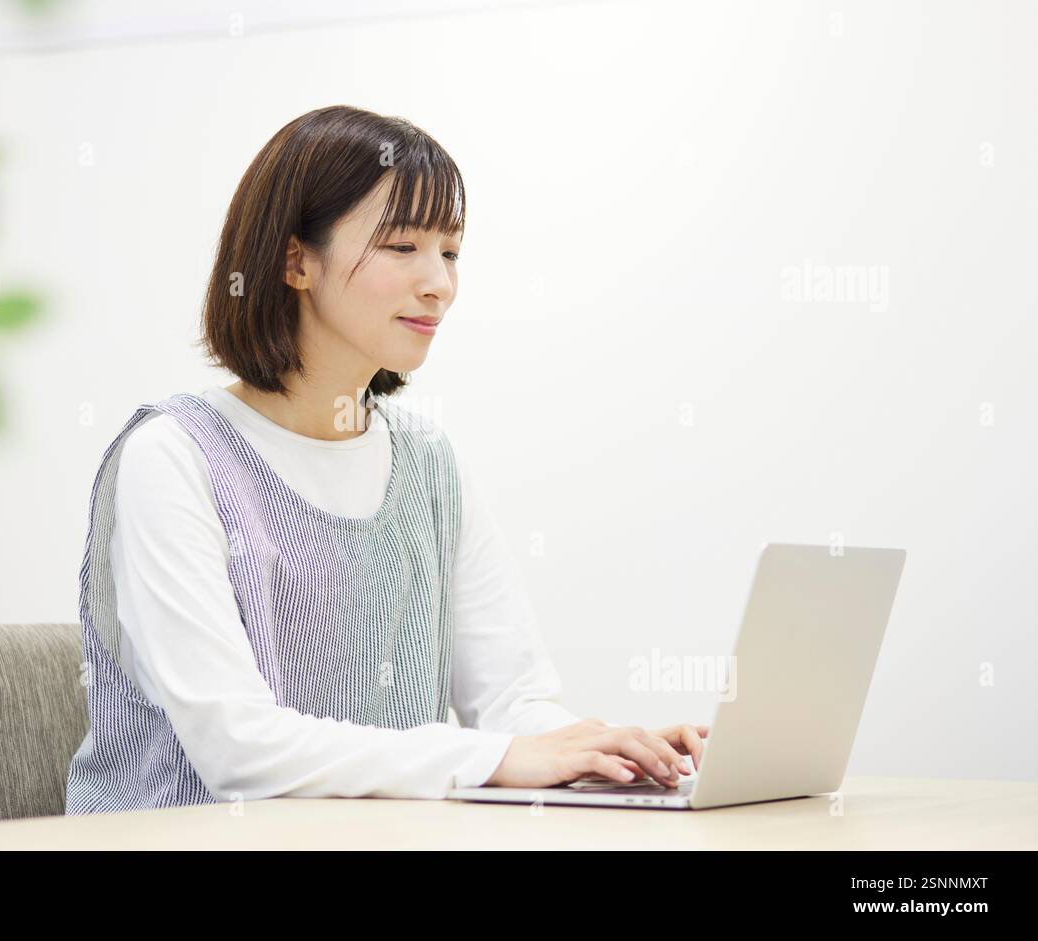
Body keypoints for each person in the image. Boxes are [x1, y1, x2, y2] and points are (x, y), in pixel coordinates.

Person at [65, 104, 707, 813]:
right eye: (402, 246)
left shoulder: (428, 463)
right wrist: (494, 757)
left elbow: (511, 703)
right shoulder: (173, 457)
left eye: (451, 251)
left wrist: (607, 752)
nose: (439, 282)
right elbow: (237, 748)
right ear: (295, 260)